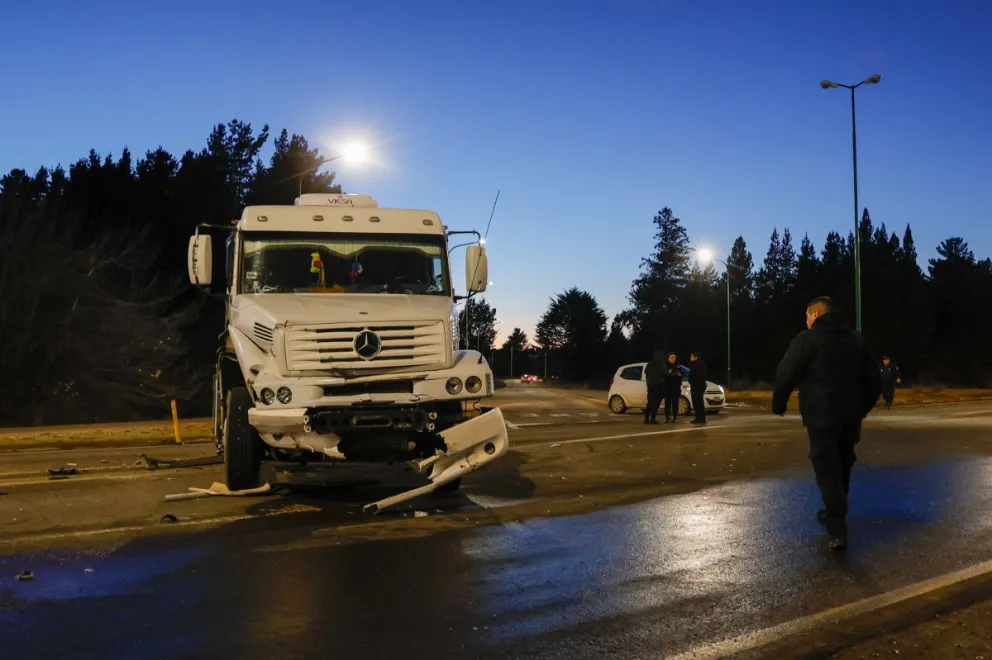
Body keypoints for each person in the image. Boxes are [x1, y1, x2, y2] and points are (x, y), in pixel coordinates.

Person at [772, 297, 881, 551]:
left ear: (817, 314)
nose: (807, 321)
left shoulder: (808, 339)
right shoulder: (858, 340)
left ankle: (836, 524)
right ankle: (837, 514)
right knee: (842, 465)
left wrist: (779, 403)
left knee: (826, 468)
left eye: (808, 316)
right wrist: (862, 408)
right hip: (850, 416)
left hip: (820, 416)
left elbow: (786, 372)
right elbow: (875, 379)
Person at [643, 349, 666, 424]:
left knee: (649, 402)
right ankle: (652, 419)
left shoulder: (650, 363)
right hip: (658, 386)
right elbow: (665, 373)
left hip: (650, 386)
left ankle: (646, 419)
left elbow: (645, 371)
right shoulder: (661, 364)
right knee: (656, 403)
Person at [688, 350, 708, 424]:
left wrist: (692, 380)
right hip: (698, 385)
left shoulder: (696, 365)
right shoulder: (700, 364)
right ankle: (699, 417)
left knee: (697, 402)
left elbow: (694, 375)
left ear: (695, 357)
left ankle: (700, 418)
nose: (690, 358)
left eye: (691, 356)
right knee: (698, 402)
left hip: (697, 386)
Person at [663, 352, 683, 423]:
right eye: (672, 357)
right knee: (667, 403)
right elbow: (664, 375)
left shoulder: (678, 366)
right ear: (668, 358)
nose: (673, 359)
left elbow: (682, 375)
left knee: (675, 403)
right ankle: (667, 418)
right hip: (667, 387)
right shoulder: (665, 365)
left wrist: (680, 375)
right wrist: (668, 373)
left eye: (674, 357)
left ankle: (674, 417)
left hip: (676, 387)